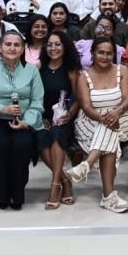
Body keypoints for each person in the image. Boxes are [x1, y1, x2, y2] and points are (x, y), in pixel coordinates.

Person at [65, 39, 128, 213]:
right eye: (101, 52)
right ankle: (108, 197)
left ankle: (87, 164)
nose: (105, 56)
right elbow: (86, 106)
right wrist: (103, 118)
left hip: (122, 117)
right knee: (109, 133)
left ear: (114, 55)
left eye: (109, 53)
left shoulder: (122, 70)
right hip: (91, 120)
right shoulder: (84, 76)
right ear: (92, 54)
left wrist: (116, 112)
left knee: (110, 129)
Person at [0, 31, 44, 210]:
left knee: (22, 145)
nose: (12, 48)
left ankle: (17, 193)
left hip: (23, 120)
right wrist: (2, 109)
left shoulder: (31, 70)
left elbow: (37, 102)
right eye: (8, 44)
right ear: (0, 47)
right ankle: (1, 192)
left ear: (23, 49)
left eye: (17, 45)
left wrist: (27, 122)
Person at [38, 31, 82, 209]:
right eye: (49, 44)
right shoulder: (39, 68)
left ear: (65, 47)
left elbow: (78, 98)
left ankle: (55, 185)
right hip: (44, 116)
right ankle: (65, 180)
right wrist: (42, 117)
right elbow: (34, 97)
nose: (53, 48)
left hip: (66, 117)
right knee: (40, 136)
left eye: (57, 44)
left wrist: (69, 115)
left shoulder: (71, 70)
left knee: (57, 134)